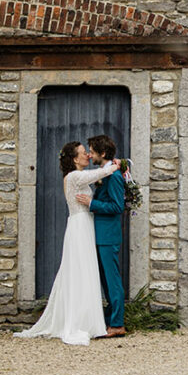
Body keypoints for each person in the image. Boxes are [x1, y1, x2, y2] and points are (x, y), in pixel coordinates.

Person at [15, 141, 119, 345]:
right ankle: (80, 320)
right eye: (83, 153)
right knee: (81, 271)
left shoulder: (78, 177)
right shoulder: (74, 176)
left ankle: (88, 317)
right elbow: (98, 175)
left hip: (84, 224)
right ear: (74, 158)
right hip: (80, 226)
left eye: (88, 153)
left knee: (85, 271)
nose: (88, 156)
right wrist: (117, 165)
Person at [75, 134, 126, 337]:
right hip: (100, 235)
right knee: (105, 280)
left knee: (112, 281)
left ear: (102, 153)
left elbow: (117, 206)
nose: (90, 154)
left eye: (93, 152)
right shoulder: (107, 172)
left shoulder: (113, 177)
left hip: (108, 235)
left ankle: (117, 324)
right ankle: (110, 320)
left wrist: (91, 204)